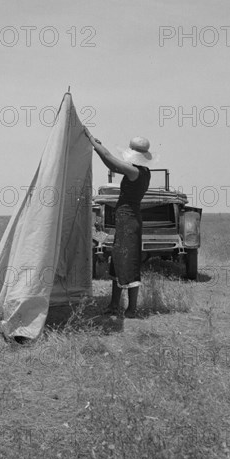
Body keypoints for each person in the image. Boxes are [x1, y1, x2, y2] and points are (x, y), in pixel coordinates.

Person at [84, 129, 155, 318]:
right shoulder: (143, 171)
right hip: (128, 221)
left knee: (129, 263)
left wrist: (93, 141)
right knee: (118, 260)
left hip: (128, 222)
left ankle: (131, 309)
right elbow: (110, 161)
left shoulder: (134, 171)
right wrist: (98, 146)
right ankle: (114, 304)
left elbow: (109, 160)